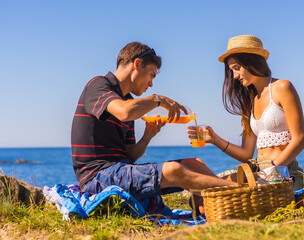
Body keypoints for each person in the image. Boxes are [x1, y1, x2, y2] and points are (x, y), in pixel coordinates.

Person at [71, 42, 236, 203]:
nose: (151, 83)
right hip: (96, 178)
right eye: (151, 75)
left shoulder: (129, 101)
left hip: (120, 170)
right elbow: (124, 111)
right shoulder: (99, 85)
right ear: (137, 64)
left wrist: (147, 137)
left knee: (194, 164)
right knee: (174, 170)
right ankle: (243, 191)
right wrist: (158, 99)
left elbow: (130, 156)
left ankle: (224, 203)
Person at [188, 35, 304, 190]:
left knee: (213, 192)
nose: (235, 76)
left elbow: (300, 140)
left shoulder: (282, 87)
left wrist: (270, 171)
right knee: (201, 192)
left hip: (282, 171)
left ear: (252, 61)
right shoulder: (249, 101)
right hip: (255, 169)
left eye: (237, 68)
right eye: (232, 70)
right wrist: (215, 139)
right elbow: (246, 154)